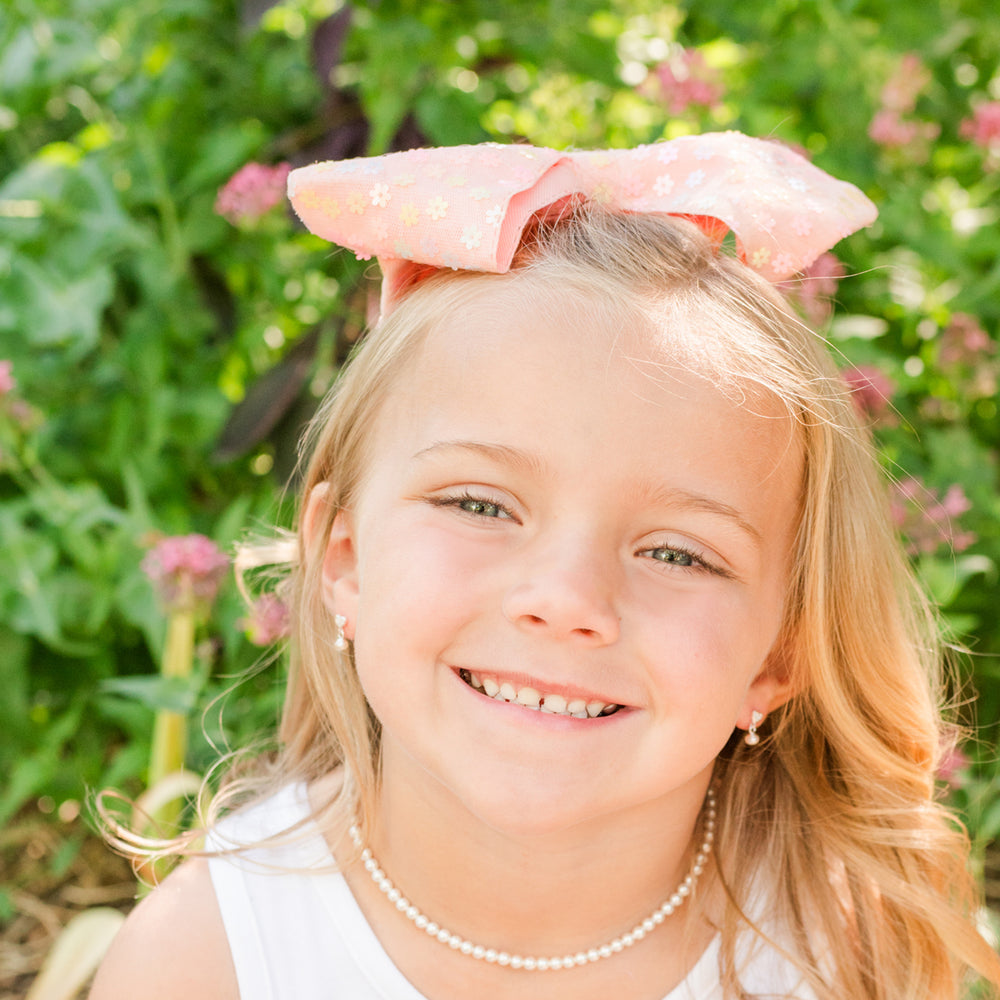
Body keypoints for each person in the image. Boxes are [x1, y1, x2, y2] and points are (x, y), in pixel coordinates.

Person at [90, 133, 1000, 1000]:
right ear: (347, 558)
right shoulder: (208, 965)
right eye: (480, 505)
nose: (566, 601)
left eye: (678, 552)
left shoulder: (832, 952)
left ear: (781, 652)